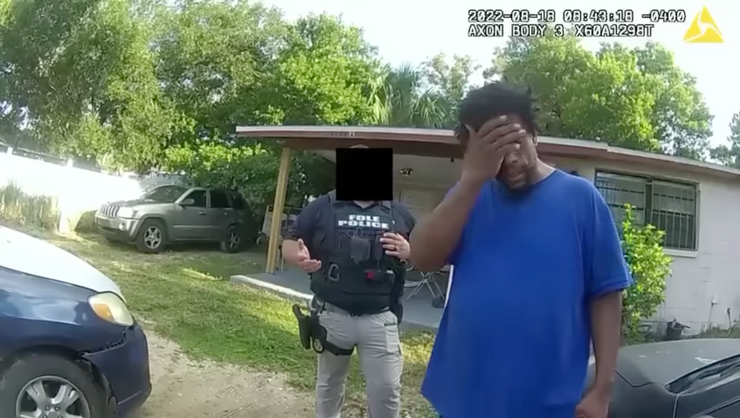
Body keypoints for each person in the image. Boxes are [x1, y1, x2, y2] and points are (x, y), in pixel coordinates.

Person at [410, 82, 633, 418]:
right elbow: (422, 258)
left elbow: (606, 297)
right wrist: (472, 180)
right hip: (464, 395)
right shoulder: (468, 196)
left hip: (548, 402)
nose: (509, 159)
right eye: (493, 150)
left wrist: (602, 391)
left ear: (534, 136)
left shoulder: (580, 199)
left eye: (515, 142)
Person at [282, 180, 416, 418]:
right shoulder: (323, 207)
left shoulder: (399, 213)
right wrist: (298, 256)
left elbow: (425, 252)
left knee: (386, 389)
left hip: (381, 318)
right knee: (329, 385)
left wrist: (409, 251)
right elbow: (290, 241)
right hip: (332, 315)